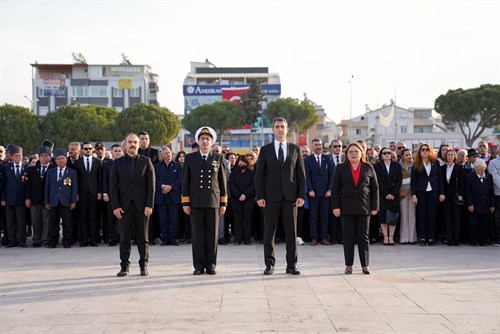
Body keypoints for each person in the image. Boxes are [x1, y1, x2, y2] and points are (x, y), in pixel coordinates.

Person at [255, 117, 306, 276]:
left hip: (291, 197)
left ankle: (292, 265)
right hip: (270, 197)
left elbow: (301, 175)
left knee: (291, 232)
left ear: (287, 128)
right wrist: (260, 196)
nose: (280, 129)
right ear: (273, 129)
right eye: (277, 126)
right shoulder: (265, 150)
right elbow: (259, 176)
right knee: (269, 232)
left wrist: (301, 195)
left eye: (282, 126)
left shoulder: (295, 149)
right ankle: (269, 264)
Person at [182, 126, 227, 275]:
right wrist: (186, 202)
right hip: (195, 201)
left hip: (213, 201)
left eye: (208, 139)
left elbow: (222, 182)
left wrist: (223, 203)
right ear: (198, 141)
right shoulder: (190, 158)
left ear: (212, 141)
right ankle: (198, 266)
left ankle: (211, 265)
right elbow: (186, 182)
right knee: (197, 235)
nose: (205, 141)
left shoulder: (218, 158)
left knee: (212, 235)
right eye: (202, 139)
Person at [111, 133, 155, 277]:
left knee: (143, 238)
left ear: (138, 144)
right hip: (124, 207)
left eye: (135, 142)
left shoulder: (146, 161)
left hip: (142, 207)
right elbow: (112, 186)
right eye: (129, 142)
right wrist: (115, 206)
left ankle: (144, 265)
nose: (132, 144)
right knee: (124, 238)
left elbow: (151, 186)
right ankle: (124, 267)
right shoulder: (117, 163)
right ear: (125, 144)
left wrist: (149, 205)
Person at [331, 142, 379, 275]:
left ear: (361, 153)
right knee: (348, 237)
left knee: (364, 237)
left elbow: (375, 188)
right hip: (346, 207)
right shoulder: (341, 168)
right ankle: (349, 265)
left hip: (364, 207)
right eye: (350, 152)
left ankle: (365, 265)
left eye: (356, 151)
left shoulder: (368, 167)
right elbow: (334, 189)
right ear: (346, 154)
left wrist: (375, 206)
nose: (353, 154)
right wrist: (335, 206)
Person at [411, 143, 445, 246]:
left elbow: (440, 179)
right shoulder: (416, 164)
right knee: (422, 215)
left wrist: (441, 193)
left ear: (430, 151)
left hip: (433, 191)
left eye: (426, 149)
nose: (425, 151)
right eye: (422, 150)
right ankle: (422, 237)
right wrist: (414, 194)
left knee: (432, 214)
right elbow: (413, 181)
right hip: (421, 191)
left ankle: (431, 237)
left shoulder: (436, 162)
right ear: (419, 152)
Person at [44, 149, 78, 248]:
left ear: (66, 159)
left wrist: (73, 201)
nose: (61, 160)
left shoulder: (72, 172)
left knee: (67, 223)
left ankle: (67, 241)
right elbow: (47, 187)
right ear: (55, 160)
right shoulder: (50, 172)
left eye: (62, 158)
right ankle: (53, 241)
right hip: (53, 201)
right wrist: (46, 201)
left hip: (66, 202)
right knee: (53, 223)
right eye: (58, 159)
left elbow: (74, 188)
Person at [304, 138, 334, 246]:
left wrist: (329, 189)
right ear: (312, 146)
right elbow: (307, 176)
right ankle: (314, 238)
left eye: (320, 144)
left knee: (324, 216)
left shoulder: (328, 159)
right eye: (316, 144)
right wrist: (310, 189)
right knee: (313, 216)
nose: (318, 146)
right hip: (313, 193)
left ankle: (324, 238)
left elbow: (332, 176)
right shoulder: (307, 160)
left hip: (326, 193)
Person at [25, 146, 54, 247]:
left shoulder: (53, 169)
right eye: (42, 156)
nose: (44, 158)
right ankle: (36, 239)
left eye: (46, 156)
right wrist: (27, 198)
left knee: (47, 221)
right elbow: (28, 185)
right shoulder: (32, 169)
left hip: (47, 200)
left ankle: (45, 239)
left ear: (50, 157)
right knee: (35, 220)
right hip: (34, 200)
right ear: (39, 157)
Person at [74, 142, 102, 247]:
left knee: (93, 217)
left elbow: (100, 178)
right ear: (82, 150)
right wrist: (76, 193)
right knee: (83, 218)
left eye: (90, 149)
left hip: (94, 193)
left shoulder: (97, 162)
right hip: (82, 194)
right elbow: (75, 179)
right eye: (86, 149)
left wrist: (99, 191)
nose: (88, 150)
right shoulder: (77, 163)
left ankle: (93, 240)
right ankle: (83, 240)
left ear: (92, 150)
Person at [1, 145, 28, 247]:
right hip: (9, 199)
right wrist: (3, 198)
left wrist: (27, 198)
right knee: (10, 221)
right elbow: (3, 184)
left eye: (20, 155)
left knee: (21, 221)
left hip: (21, 199)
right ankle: (12, 241)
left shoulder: (26, 168)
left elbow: (27, 185)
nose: (18, 158)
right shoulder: (6, 168)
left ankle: (21, 240)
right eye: (16, 156)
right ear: (11, 157)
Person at [155, 147, 182, 246]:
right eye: (166, 153)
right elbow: (155, 179)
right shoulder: (156, 166)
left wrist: (171, 187)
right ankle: (165, 239)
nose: (168, 154)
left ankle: (173, 239)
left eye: (169, 152)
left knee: (173, 219)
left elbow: (180, 179)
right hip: (161, 196)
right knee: (163, 219)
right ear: (162, 155)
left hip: (173, 196)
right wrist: (163, 186)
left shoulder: (178, 166)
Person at [375, 147, 402, 246]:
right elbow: (378, 182)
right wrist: (386, 194)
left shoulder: (397, 166)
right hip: (382, 195)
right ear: (381, 155)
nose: (387, 154)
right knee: (382, 216)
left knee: (393, 216)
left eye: (389, 153)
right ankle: (385, 237)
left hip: (394, 195)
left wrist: (393, 194)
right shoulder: (377, 167)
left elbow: (399, 181)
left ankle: (391, 237)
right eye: (384, 153)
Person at [466, 159, 495, 246]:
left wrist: (492, 204)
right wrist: (470, 204)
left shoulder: (489, 177)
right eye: (478, 169)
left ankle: (483, 241)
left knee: (484, 224)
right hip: (474, 204)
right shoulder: (470, 176)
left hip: (485, 204)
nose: (480, 171)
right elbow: (468, 191)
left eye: (482, 169)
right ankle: (474, 241)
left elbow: (491, 191)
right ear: (475, 169)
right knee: (473, 224)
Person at [228, 155, 255, 245]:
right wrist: (239, 195)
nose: (241, 163)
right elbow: (231, 185)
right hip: (236, 199)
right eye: (240, 162)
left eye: (243, 162)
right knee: (237, 219)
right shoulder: (234, 173)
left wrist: (245, 195)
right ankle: (237, 239)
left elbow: (253, 185)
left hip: (249, 199)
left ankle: (247, 239)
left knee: (247, 218)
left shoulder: (251, 173)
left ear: (246, 163)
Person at [441, 149, 465, 246]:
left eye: (452, 154)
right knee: (447, 218)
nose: (450, 156)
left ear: (454, 156)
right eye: (448, 154)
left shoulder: (459, 168)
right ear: (446, 157)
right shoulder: (442, 168)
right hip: (446, 197)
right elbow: (441, 183)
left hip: (456, 196)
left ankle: (456, 238)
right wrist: (441, 194)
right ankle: (449, 238)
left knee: (456, 218)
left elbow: (462, 183)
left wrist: (461, 194)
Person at [102, 144, 123, 246]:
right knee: (111, 217)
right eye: (115, 151)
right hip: (111, 195)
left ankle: (122, 237)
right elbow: (104, 180)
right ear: (112, 152)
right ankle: (112, 238)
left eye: (119, 150)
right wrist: (105, 193)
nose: (118, 152)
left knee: (122, 218)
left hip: (124, 195)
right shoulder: (107, 164)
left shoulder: (126, 162)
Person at [399, 148, 417, 244]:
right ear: (402, 156)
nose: (409, 156)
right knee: (404, 217)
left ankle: (412, 238)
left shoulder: (415, 165)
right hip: (402, 194)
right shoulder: (398, 166)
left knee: (412, 216)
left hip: (412, 193)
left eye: (410, 154)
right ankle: (404, 238)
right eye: (406, 155)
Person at [487, 149, 500, 246]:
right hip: (497, 194)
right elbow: (495, 178)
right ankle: (498, 239)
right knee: (497, 218)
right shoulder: (493, 162)